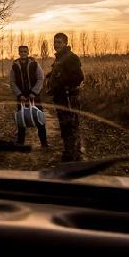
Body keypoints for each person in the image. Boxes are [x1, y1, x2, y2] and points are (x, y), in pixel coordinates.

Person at [48, 32, 84, 162]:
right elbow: (60, 74)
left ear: (65, 43)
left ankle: (74, 155)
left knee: (71, 126)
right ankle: (69, 152)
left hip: (70, 97)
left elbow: (79, 77)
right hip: (60, 97)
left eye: (59, 42)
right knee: (64, 126)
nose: (56, 45)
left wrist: (61, 82)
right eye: (55, 42)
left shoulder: (71, 57)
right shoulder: (59, 58)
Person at [9, 45, 47, 148]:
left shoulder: (35, 64)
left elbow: (40, 78)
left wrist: (34, 93)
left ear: (28, 52)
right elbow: (12, 82)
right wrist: (19, 94)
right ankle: (20, 143)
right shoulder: (15, 65)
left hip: (34, 96)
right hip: (21, 97)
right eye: (21, 51)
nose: (23, 53)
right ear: (19, 52)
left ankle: (44, 143)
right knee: (21, 119)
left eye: (25, 51)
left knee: (40, 118)